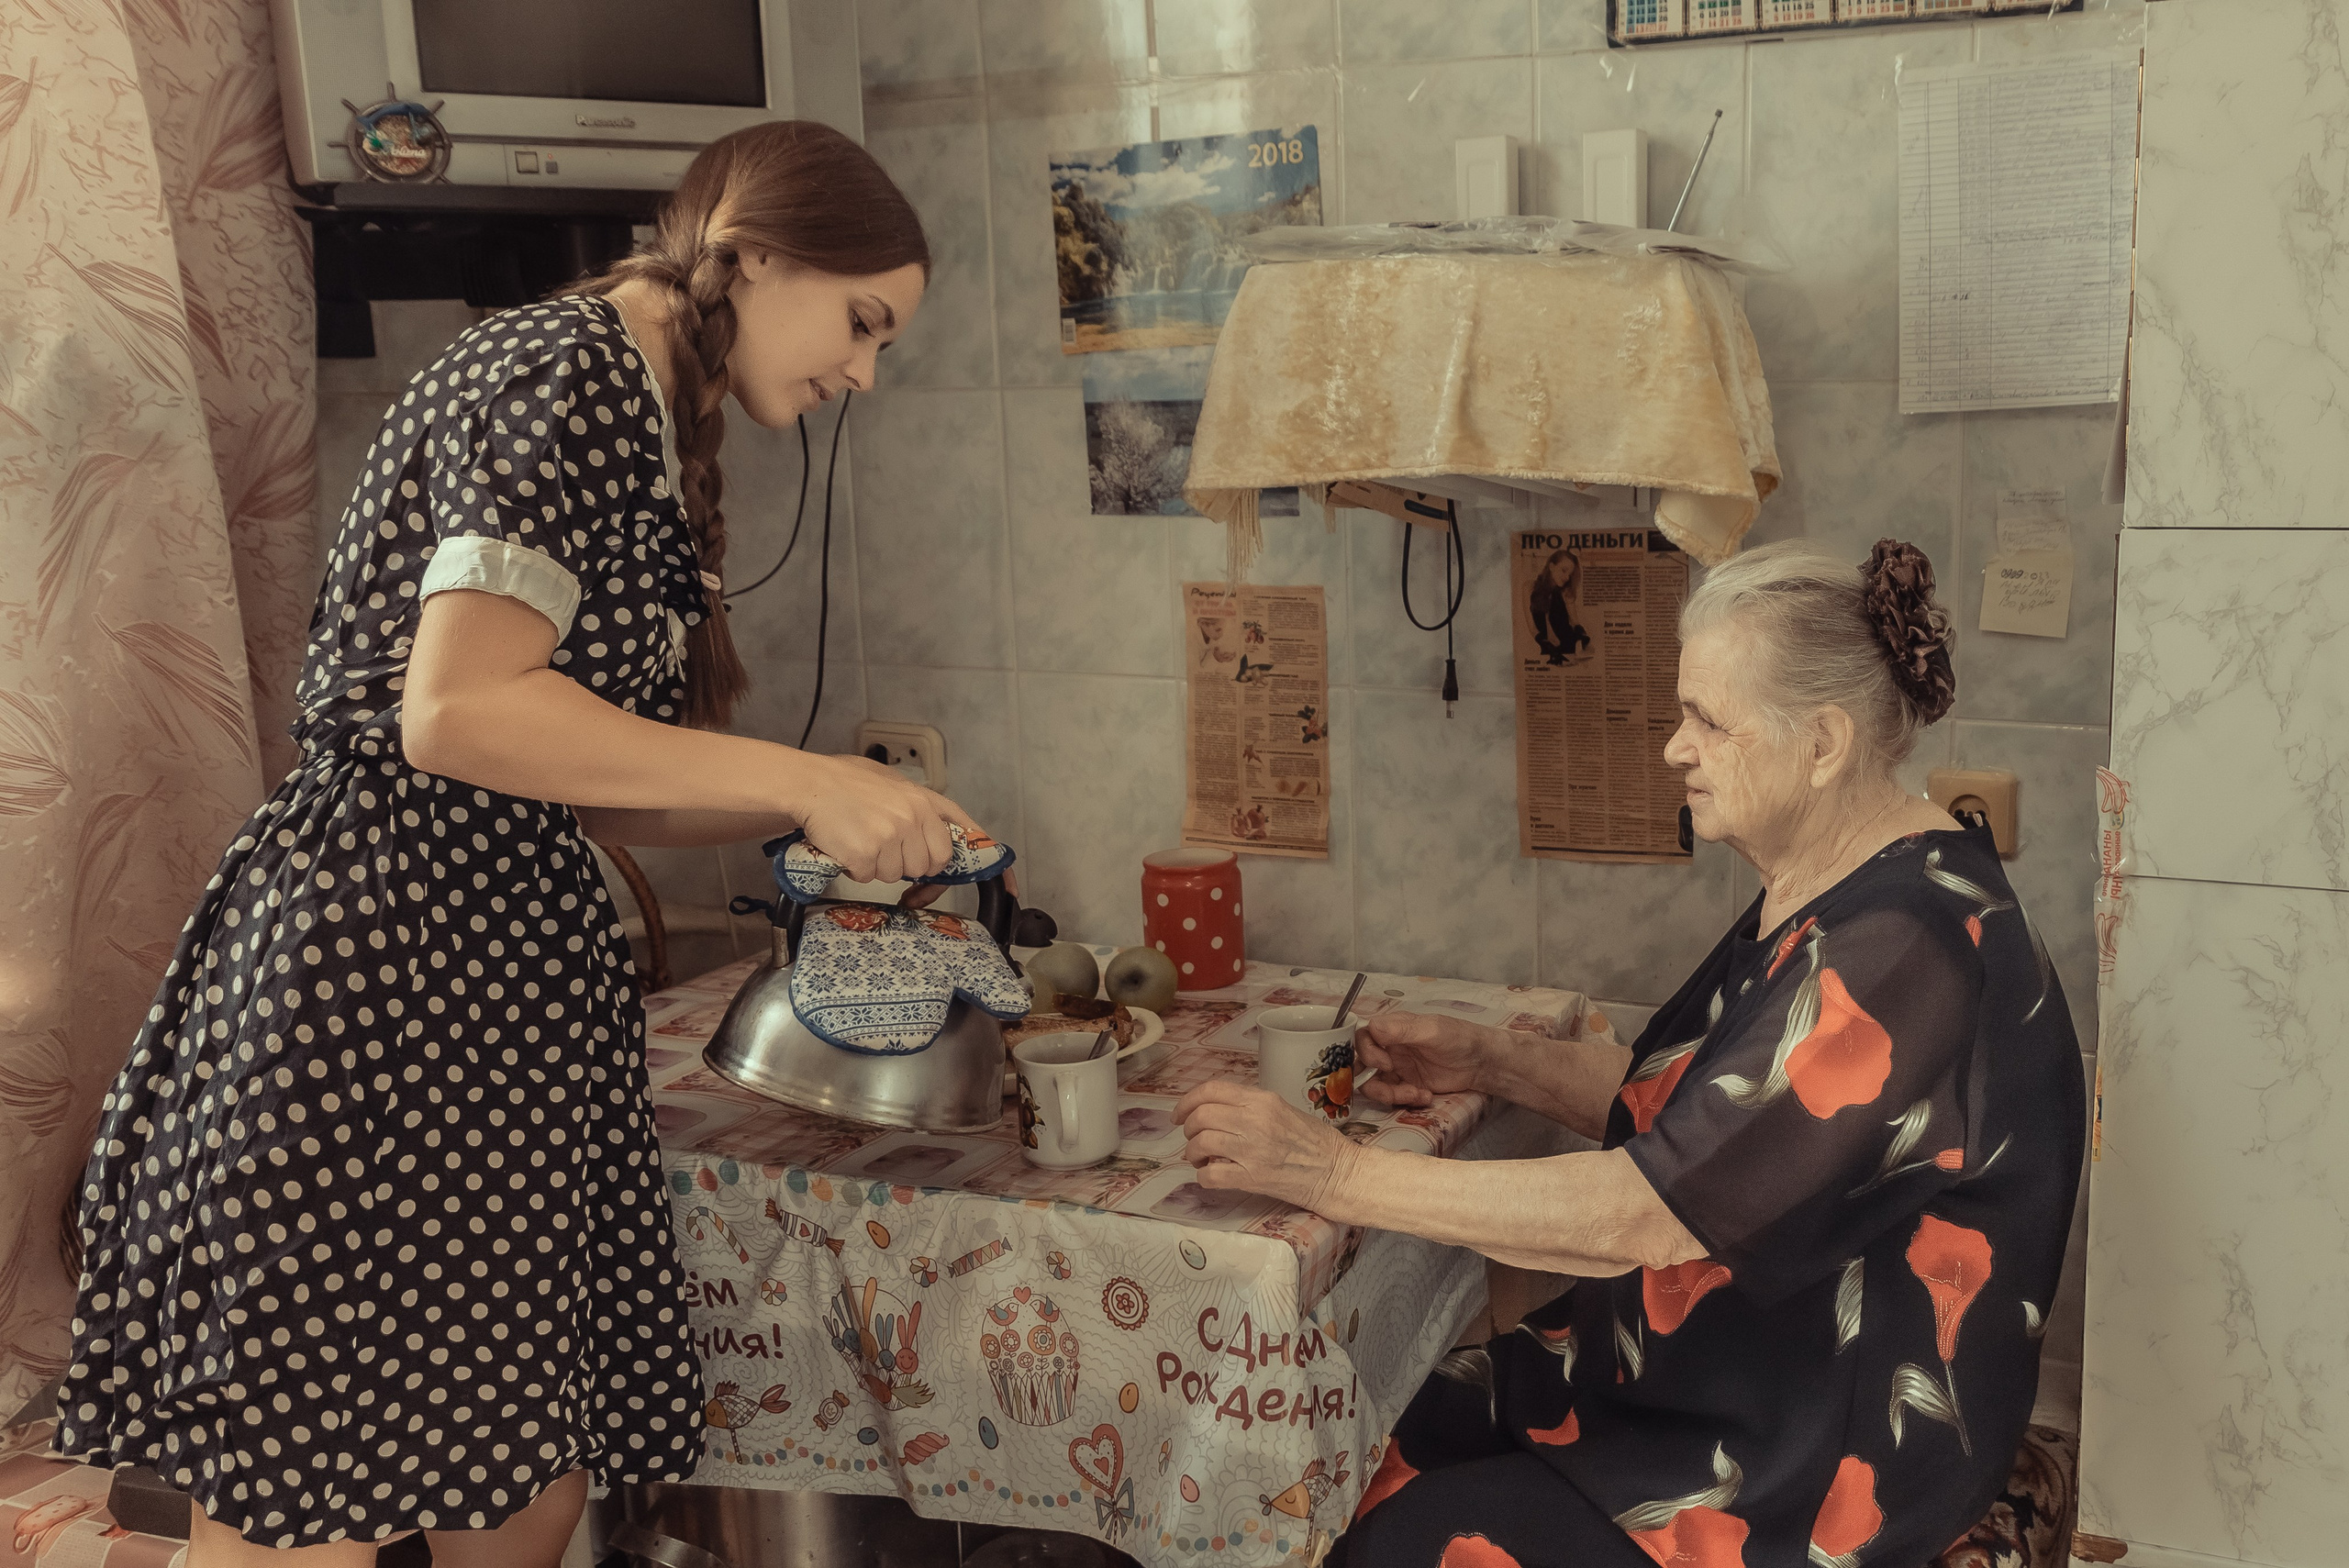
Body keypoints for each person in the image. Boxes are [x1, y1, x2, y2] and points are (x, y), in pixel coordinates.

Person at [56, 120, 992, 1566]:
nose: (864, 373)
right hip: (379, 978)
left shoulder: (640, 403)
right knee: (316, 1488)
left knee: (522, 1481)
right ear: (755, 255)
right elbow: (457, 713)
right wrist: (800, 774)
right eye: (863, 322)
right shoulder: (562, 369)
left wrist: (830, 803)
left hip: (490, 986)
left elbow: (583, 785)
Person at [1176, 539, 2085, 1568]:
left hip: (1809, 1456)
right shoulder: (1845, 879)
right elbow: (1712, 1120)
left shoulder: (1903, 948)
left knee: (1396, 1542)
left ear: (1823, 742)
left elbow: (1643, 1212)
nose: (1673, 748)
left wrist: (1330, 1173)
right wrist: (1494, 1062)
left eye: (1707, 719)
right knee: (1372, 1431)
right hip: (1711, 1378)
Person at [1529, 547, 1588, 663]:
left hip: (1569, 650)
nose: (1567, 578)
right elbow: (1533, 627)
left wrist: (1582, 634)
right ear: (1551, 567)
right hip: (1549, 652)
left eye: (1570, 575)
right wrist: (1547, 645)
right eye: (1564, 570)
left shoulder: (1565, 592)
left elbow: (1575, 622)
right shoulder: (1530, 588)